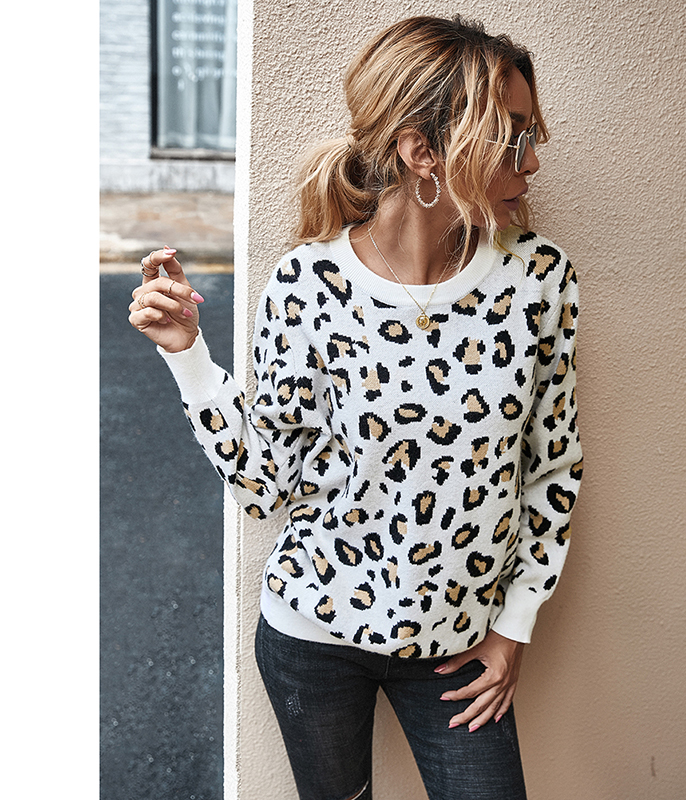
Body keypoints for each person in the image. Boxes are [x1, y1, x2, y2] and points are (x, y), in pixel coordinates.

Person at [128, 15, 582, 800]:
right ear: (422, 151)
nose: (532, 161)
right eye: (513, 139)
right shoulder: (309, 285)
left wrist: (515, 627)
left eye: (530, 136)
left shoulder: (539, 280)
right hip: (314, 637)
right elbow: (264, 484)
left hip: (459, 648)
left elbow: (555, 468)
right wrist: (188, 355)